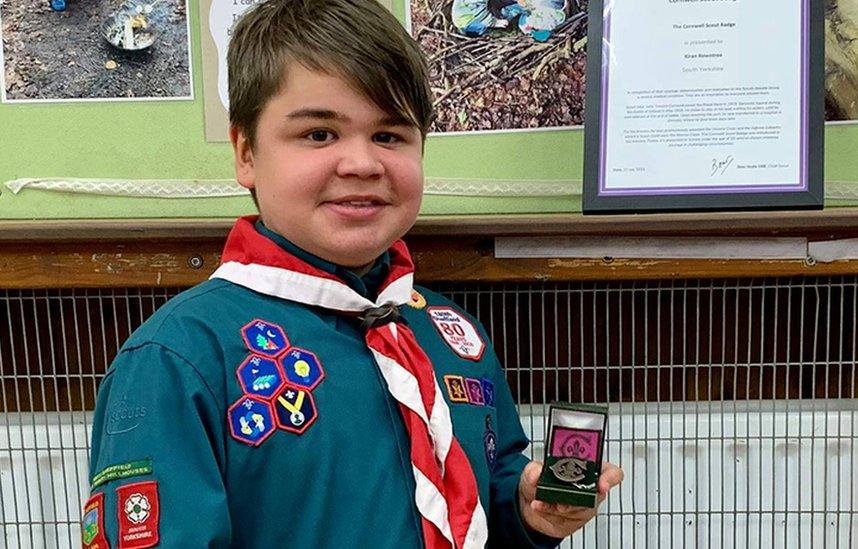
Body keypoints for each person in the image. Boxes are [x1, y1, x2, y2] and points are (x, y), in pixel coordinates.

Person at [82, 0, 623, 547]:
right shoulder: (179, 358)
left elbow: (488, 487)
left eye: (390, 135)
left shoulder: (450, 334)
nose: (363, 163)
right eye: (319, 134)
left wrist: (526, 512)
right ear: (246, 152)